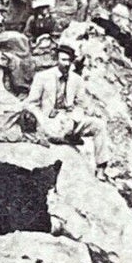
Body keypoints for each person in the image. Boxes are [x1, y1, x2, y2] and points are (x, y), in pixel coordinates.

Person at [24, 38, 109, 172]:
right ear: (56, 60)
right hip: (50, 121)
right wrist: (43, 119)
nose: (67, 64)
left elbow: (81, 104)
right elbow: (30, 104)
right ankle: (63, 138)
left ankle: (101, 168)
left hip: (70, 121)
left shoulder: (77, 80)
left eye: (69, 61)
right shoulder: (42, 77)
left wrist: (74, 118)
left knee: (99, 125)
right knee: (55, 132)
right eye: (63, 60)